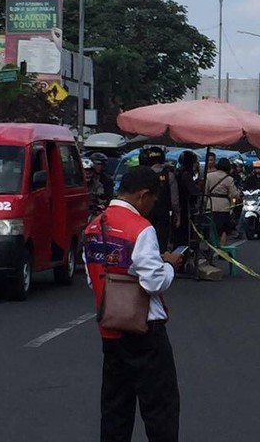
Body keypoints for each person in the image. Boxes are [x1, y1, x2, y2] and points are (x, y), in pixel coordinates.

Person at [82, 166, 184, 442]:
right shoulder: (140, 228)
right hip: (145, 333)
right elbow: (153, 282)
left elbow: (94, 279)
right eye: (152, 200)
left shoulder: (94, 226)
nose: (152, 206)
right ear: (143, 195)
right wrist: (169, 265)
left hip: (110, 329)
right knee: (160, 408)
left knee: (115, 408)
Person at [142, 147, 181, 252]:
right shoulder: (169, 175)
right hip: (163, 214)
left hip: (146, 213)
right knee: (162, 243)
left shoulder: (143, 174)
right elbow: (175, 200)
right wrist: (177, 215)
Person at [205, 157, 240, 246]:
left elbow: (205, 192)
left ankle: (211, 248)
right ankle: (222, 250)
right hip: (223, 207)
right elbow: (234, 194)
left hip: (210, 205)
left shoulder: (209, 176)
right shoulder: (229, 179)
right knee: (223, 230)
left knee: (212, 228)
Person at [175, 151, 201, 249]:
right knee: (184, 234)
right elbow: (193, 190)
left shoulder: (178, 172)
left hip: (180, 206)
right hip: (185, 207)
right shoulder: (186, 175)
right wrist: (198, 187)